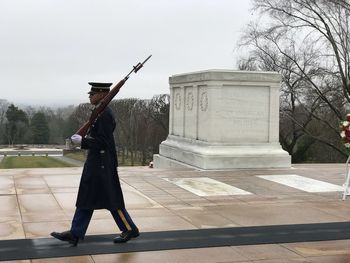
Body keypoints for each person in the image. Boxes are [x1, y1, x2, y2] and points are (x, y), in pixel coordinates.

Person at [51, 82, 139, 246]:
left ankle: (130, 228)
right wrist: (84, 141)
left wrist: (83, 142)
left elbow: (104, 142)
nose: (90, 96)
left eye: (93, 94)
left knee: (111, 198)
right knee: (87, 196)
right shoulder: (100, 112)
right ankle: (75, 232)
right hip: (96, 161)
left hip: (102, 163)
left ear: (101, 95)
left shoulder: (105, 114)